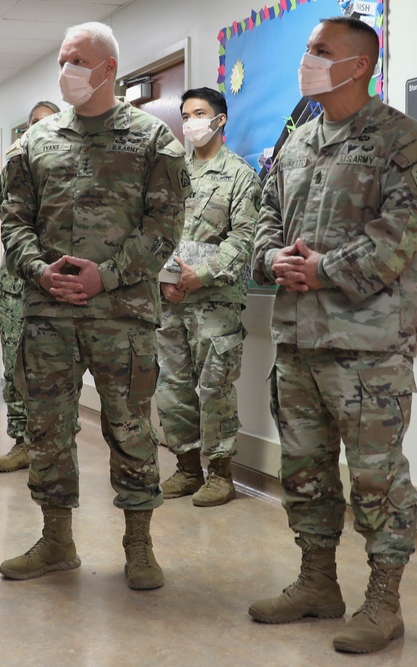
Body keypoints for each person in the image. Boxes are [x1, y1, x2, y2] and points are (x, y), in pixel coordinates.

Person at [246, 17, 417, 654]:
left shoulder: (402, 141)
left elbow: (399, 237)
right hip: (296, 341)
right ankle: (316, 582)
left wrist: (322, 268)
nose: (308, 60)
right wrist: (272, 257)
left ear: (358, 66)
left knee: (377, 479)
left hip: (366, 350)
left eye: (321, 51)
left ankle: (384, 600)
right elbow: (263, 219)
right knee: (305, 471)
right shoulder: (296, 142)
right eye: (307, 49)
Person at [0, 22, 190, 591]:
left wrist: (106, 276)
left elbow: (164, 226)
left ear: (108, 69)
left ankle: (138, 544)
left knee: (130, 430)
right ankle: (56, 541)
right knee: (48, 430)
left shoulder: (155, 141)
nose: (66, 70)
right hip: (47, 315)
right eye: (62, 59)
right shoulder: (33, 143)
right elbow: (14, 223)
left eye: (77, 60)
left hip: (121, 316)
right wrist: (39, 269)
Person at [156, 87, 261, 507]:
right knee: (172, 386)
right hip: (169, 298)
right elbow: (157, 229)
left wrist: (201, 275)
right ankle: (185, 468)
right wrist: (164, 278)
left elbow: (244, 236)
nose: (190, 121)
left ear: (220, 120)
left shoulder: (239, 174)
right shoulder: (170, 172)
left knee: (213, 387)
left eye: (199, 113)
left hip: (214, 302)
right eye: (185, 114)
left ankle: (220, 473)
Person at [0, 100, 60, 473]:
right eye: (33, 123)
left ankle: (50, 445)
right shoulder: (14, 168)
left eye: (47, 123)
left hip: (55, 284)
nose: (38, 129)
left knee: (51, 370)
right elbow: (10, 215)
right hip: (16, 284)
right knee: (13, 365)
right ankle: (21, 441)